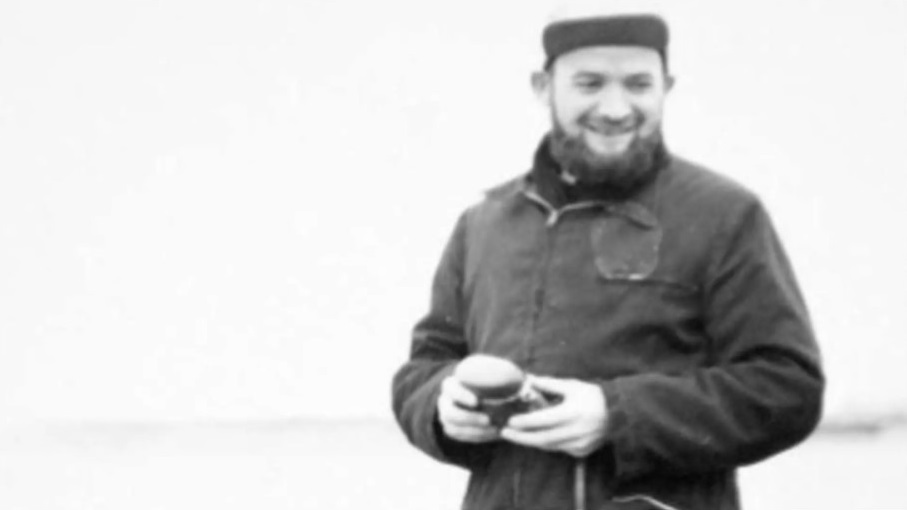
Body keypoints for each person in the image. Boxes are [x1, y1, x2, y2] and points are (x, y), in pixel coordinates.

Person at [391, 3, 824, 509]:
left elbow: (787, 387)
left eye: (639, 84)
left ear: (668, 87)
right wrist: (442, 407)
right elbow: (425, 367)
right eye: (590, 83)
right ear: (542, 87)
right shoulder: (483, 224)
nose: (616, 109)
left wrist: (617, 414)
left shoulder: (724, 215)